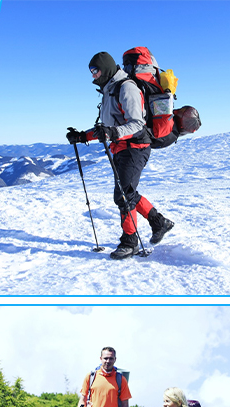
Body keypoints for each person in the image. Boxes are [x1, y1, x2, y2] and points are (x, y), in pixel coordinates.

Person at [66, 52, 174, 259]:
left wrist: (114, 133)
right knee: (129, 193)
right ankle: (160, 222)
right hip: (121, 148)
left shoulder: (127, 88)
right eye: (91, 72)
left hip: (136, 146)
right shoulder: (109, 90)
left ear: (105, 68)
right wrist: (82, 136)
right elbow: (107, 127)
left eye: (95, 71)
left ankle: (130, 242)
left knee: (123, 196)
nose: (93, 76)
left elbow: (136, 123)